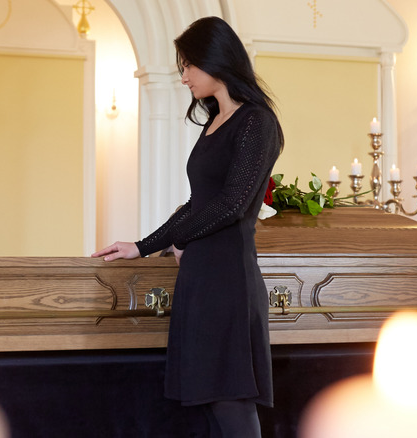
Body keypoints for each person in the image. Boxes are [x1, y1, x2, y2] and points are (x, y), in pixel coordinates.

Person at [92, 16, 284, 438]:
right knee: (211, 401)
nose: (183, 77)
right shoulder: (214, 121)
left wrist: (178, 240)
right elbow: (198, 204)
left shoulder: (256, 121)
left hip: (229, 278)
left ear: (216, 59)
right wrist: (141, 245)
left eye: (188, 66)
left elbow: (232, 204)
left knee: (231, 399)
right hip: (201, 276)